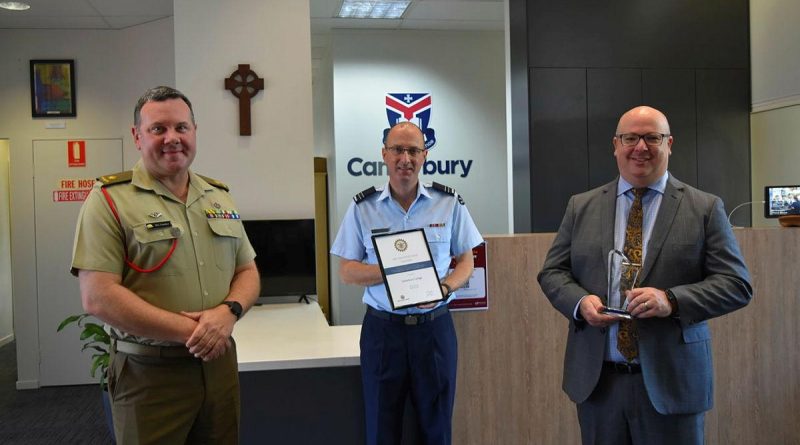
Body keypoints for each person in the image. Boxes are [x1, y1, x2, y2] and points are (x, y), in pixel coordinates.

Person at [537, 106, 752, 445]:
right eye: (630, 138)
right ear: (615, 144)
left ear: (670, 143)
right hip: (599, 385)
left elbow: (737, 285)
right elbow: (552, 272)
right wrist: (580, 302)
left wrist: (672, 300)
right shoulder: (582, 206)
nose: (641, 147)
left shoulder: (704, 208)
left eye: (652, 137)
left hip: (672, 384)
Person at [70, 86, 260, 444]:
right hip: (149, 374)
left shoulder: (218, 196)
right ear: (137, 136)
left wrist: (229, 312)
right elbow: (98, 296)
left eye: (181, 127)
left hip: (218, 369)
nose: (172, 138)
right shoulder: (109, 200)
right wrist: (195, 332)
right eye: (158, 129)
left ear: (194, 131)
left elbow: (247, 271)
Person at [331, 122, 483, 445]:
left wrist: (444, 287)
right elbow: (347, 271)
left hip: (434, 330)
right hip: (383, 333)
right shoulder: (363, 208)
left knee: (437, 430)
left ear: (425, 155)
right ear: (384, 154)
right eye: (398, 149)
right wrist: (391, 271)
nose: (405, 158)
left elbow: (467, 261)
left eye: (413, 150)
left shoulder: (448, 202)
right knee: (381, 430)